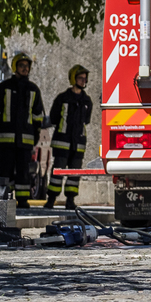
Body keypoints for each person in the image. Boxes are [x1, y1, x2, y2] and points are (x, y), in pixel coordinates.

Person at [0, 52, 45, 208]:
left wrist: (36, 133)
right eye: (21, 65)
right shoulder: (3, 88)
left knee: (23, 172)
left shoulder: (34, 90)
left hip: (25, 140)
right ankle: (4, 198)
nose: (25, 68)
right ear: (15, 67)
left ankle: (23, 200)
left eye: (27, 66)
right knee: (5, 171)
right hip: (6, 140)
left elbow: (38, 115)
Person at [44, 65, 93, 209]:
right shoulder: (62, 98)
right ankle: (51, 199)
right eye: (80, 78)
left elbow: (87, 121)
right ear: (73, 78)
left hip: (78, 143)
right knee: (57, 171)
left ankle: (70, 200)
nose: (83, 81)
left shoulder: (87, 101)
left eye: (85, 78)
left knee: (74, 173)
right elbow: (53, 118)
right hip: (62, 142)